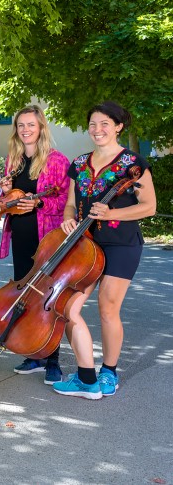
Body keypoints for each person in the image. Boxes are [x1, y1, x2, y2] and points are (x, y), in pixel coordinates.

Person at [53, 101, 156, 400]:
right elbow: (71, 202)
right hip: (84, 244)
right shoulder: (80, 162)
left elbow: (149, 207)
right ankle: (86, 377)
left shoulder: (132, 163)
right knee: (68, 307)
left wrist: (110, 214)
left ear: (118, 127)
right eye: (93, 124)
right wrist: (67, 218)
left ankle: (109, 371)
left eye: (105, 124)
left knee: (108, 308)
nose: (97, 130)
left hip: (122, 243)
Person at [0, 105, 69, 384]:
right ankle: (34, 354)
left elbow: (66, 201)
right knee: (26, 296)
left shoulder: (57, 160)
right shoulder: (13, 160)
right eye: (21, 125)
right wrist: (5, 193)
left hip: (46, 238)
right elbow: (10, 201)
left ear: (41, 128)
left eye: (31, 125)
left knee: (49, 297)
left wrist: (39, 201)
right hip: (21, 234)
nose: (25, 129)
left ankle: (53, 360)